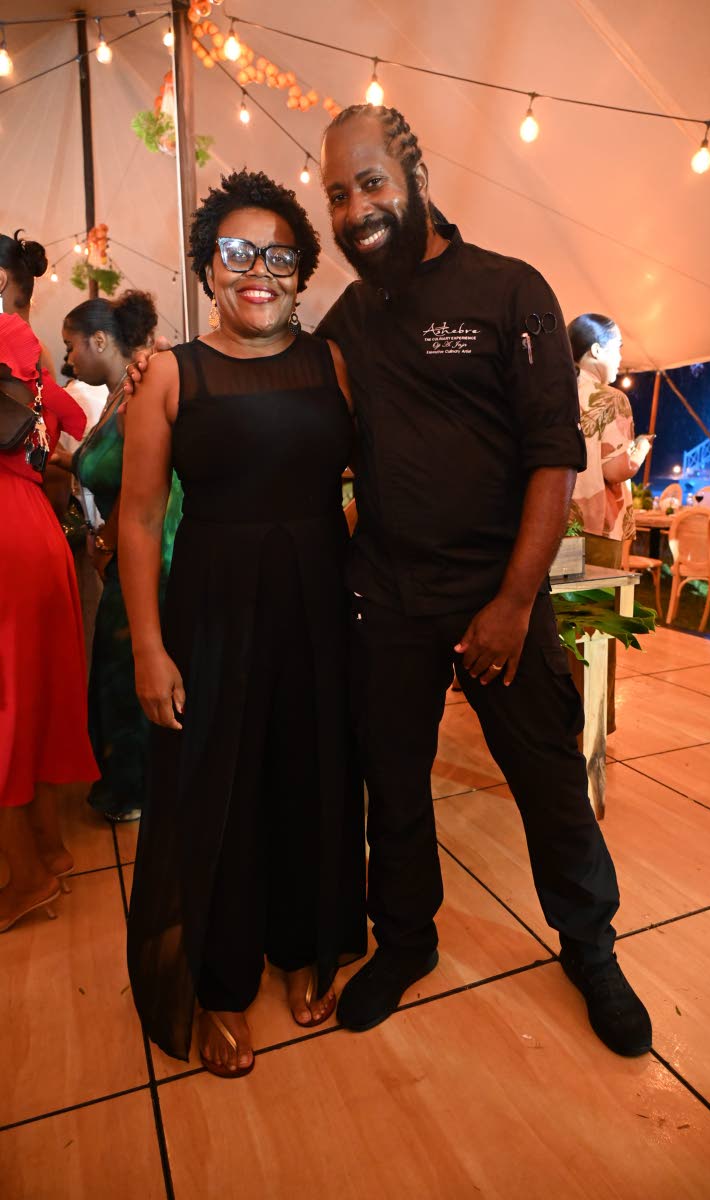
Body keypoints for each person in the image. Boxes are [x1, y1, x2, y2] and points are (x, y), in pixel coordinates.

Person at [315, 105, 651, 1056]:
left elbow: (554, 458)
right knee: (396, 783)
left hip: (496, 595)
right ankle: (407, 940)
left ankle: (589, 944)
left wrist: (511, 602)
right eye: (338, 194)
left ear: (415, 173)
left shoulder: (508, 291)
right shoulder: (349, 318)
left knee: (547, 777)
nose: (355, 209)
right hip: (388, 597)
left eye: (370, 182)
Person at [119, 171, 367, 1077]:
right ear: (208, 271)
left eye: (277, 254)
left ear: (301, 272)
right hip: (212, 610)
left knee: (311, 774)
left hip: (317, 608)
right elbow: (139, 519)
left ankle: (307, 942)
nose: (257, 270)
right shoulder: (171, 375)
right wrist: (148, 647)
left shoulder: (334, 363)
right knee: (214, 788)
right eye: (235, 253)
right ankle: (220, 984)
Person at [50, 291, 182, 823]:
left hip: (146, 555)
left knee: (125, 673)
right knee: (116, 669)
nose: (70, 359)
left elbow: (141, 480)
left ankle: (138, 789)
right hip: (123, 551)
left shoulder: (137, 397)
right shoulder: (113, 396)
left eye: (72, 346)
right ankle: (131, 784)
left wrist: (105, 543)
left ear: (100, 340)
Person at [0, 230, 98, 932]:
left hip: (7, 531)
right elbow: (69, 427)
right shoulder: (33, 362)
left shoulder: (4, 333)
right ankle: (50, 849)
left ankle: (28, 877)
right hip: (32, 524)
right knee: (23, 703)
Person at [567, 313, 651, 567]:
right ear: (596, 350)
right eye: (617, 348)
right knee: (594, 601)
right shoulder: (612, 399)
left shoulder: (554, 393)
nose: (620, 358)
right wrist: (641, 450)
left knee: (558, 601)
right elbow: (615, 470)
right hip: (596, 524)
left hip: (553, 517)